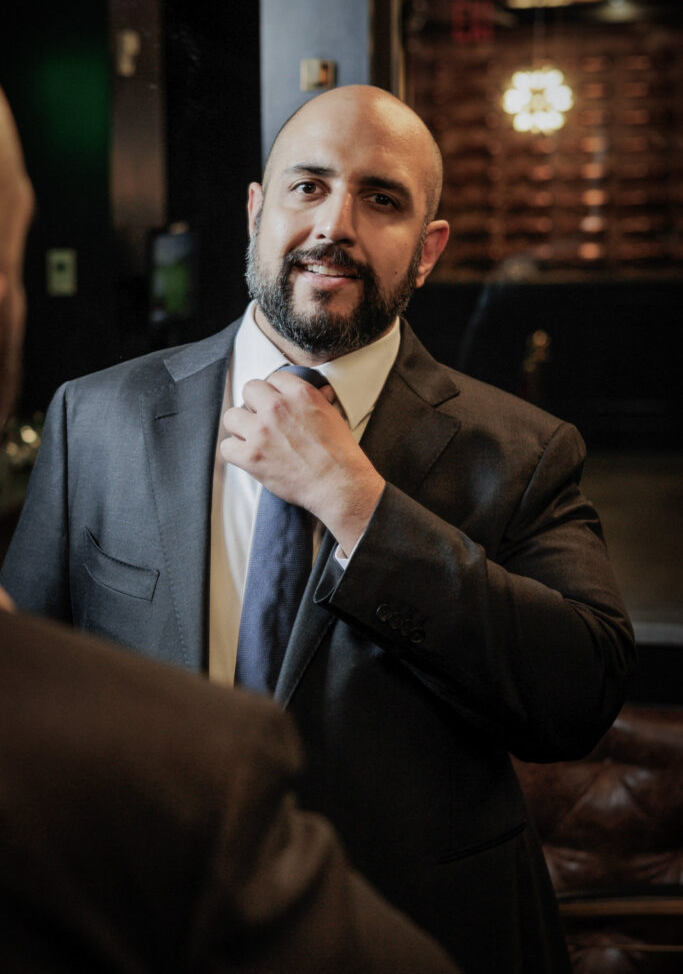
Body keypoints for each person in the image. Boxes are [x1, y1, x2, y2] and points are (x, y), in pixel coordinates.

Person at [2, 84, 636, 972]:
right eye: (307, 186)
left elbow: (577, 695)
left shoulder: (525, 451)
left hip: (423, 935)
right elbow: (26, 688)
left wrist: (359, 504)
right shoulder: (95, 417)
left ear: (426, 250)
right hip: (136, 930)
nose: (334, 221)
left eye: (381, 199)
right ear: (257, 212)